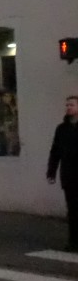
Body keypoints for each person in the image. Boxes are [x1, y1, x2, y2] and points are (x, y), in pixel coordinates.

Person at [46, 95, 78, 250]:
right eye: (67, 105)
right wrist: (51, 172)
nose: (68, 107)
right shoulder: (62, 129)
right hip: (69, 176)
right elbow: (55, 151)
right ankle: (73, 241)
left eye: (71, 105)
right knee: (72, 211)